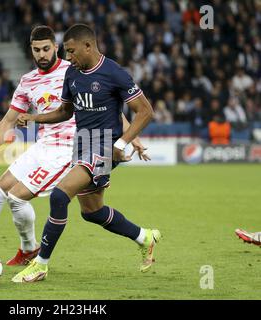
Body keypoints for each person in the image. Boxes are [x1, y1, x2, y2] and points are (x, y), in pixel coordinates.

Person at [0, 26, 148, 266]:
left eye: (46, 49)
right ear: (30, 51)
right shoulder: (27, 81)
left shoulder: (74, 67)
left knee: (19, 198)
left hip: (72, 146)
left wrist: (129, 137)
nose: (41, 54)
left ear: (56, 47)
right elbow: (9, 120)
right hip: (43, 145)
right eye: (36, 50)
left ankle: (32, 252)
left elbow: (107, 104)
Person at [12, 24, 160, 283]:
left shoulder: (114, 73)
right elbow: (64, 112)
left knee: (59, 195)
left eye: (71, 51)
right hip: (81, 142)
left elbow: (145, 111)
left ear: (88, 46)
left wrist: (123, 143)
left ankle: (40, 265)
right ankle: (144, 237)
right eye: (67, 52)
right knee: (92, 212)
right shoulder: (72, 73)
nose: (68, 57)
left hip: (104, 144)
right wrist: (33, 117)